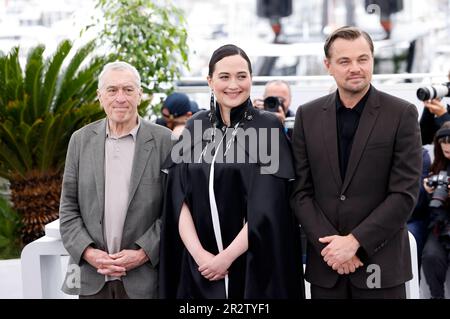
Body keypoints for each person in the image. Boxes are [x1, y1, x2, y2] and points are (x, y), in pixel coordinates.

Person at [159, 44, 304, 299]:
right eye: (224, 77)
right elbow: (177, 196)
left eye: (241, 76)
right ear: (210, 81)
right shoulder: (196, 125)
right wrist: (200, 256)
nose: (233, 85)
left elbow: (267, 206)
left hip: (252, 267)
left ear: (251, 78)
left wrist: (225, 258)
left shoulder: (266, 126)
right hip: (199, 268)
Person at [290, 26, 422, 299]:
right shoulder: (307, 116)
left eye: (363, 59)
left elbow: (404, 194)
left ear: (372, 60)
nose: (355, 68)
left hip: (381, 267)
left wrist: (356, 243)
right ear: (328, 65)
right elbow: (301, 192)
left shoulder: (402, 114)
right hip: (327, 269)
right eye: (344, 61)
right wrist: (333, 249)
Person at [59, 61, 173, 299]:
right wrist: (88, 253)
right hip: (92, 277)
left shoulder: (166, 141)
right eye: (112, 90)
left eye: (128, 90)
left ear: (140, 95)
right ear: (100, 96)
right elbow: (68, 210)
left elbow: (174, 211)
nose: (120, 98)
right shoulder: (80, 141)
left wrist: (143, 252)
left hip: (146, 279)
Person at [422, 122, 450, 299]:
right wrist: (427, 192)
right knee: (431, 256)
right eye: (444, 142)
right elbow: (431, 206)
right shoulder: (438, 166)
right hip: (440, 225)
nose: (447, 145)